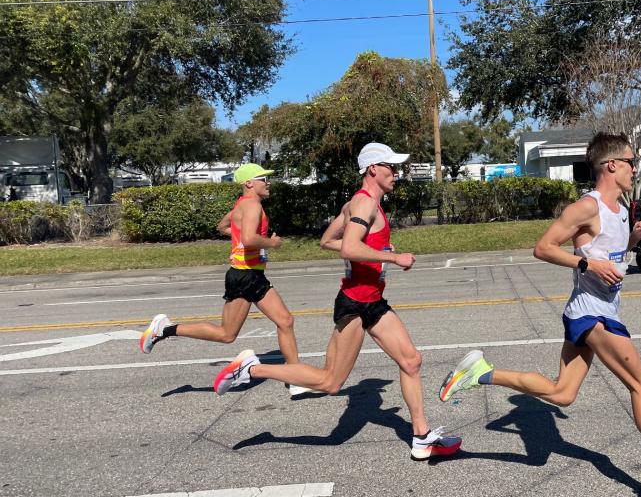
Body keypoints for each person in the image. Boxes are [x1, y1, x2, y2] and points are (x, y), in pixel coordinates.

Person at [438, 132, 641, 497]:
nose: (635, 168)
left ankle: (483, 373)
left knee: (563, 394)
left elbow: (611, 258)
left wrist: (633, 242)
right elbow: (543, 248)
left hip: (599, 309)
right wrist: (586, 263)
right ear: (612, 165)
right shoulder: (587, 206)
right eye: (631, 162)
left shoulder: (621, 210)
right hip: (591, 313)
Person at [212, 142, 462, 462]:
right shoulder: (363, 205)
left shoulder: (357, 205)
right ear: (373, 169)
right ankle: (253, 369)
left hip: (373, 301)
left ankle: (422, 437)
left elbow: (328, 241)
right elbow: (348, 248)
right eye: (391, 167)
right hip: (354, 305)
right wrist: (392, 256)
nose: (396, 173)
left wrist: (374, 254)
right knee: (330, 382)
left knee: (411, 361)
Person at [138, 163, 299, 368]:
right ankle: (164, 329)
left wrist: (241, 237)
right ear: (249, 183)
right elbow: (250, 239)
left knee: (285, 321)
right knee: (226, 334)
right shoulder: (252, 205)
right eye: (263, 179)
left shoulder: (242, 203)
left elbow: (223, 227)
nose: (268, 183)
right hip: (244, 275)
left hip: (252, 275)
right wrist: (272, 243)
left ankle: (295, 374)